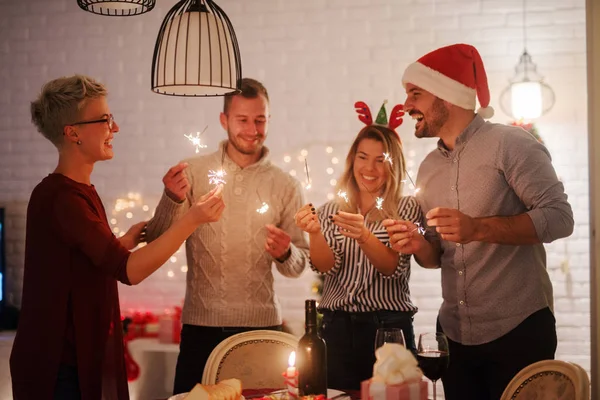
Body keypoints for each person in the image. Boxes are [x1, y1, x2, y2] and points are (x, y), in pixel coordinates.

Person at [10, 75, 225, 400]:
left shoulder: (77, 193)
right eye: (105, 119)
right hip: (58, 368)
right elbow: (129, 271)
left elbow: (82, 261)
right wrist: (193, 220)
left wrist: (122, 241)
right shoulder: (62, 198)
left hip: (69, 362)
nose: (116, 128)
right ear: (73, 133)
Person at [384, 43, 574, 400]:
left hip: (518, 329)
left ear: (447, 96)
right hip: (454, 337)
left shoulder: (511, 144)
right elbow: (435, 256)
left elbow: (560, 218)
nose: (407, 105)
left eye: (415, 94)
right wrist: (418, 244)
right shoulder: (428, 167)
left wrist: (479, 227)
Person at [145, 78, 310, 395]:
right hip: (202, 330)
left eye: (260, 120)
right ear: (224, 121)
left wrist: (286, 253)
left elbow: (298, 266)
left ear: (269, 120)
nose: (252, 129)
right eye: (243, 120)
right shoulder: (192, 172)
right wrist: (171, 198)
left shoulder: (285, 184)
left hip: (263, 329)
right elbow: (156, 241)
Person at [294, 101, 428, 391]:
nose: (369, 168)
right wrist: (315, 233)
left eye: (381, 160)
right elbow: (325, 266)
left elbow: (392, 268)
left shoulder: (406, 208)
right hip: (336, 329)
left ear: (393, 164)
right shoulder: (331, 209)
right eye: (363, 157)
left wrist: (364, 235)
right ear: (352, 159)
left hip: (388, 331)